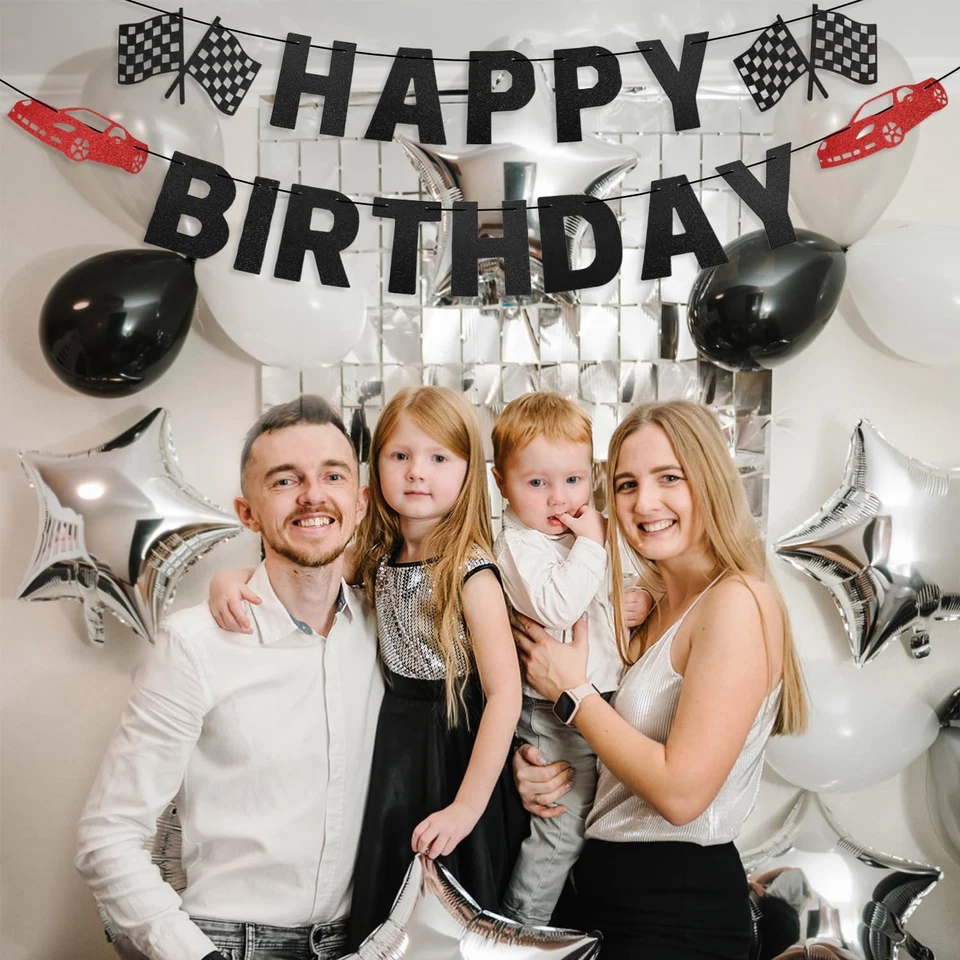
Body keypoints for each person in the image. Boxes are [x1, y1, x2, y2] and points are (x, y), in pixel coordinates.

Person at [209, 387, 524, 950]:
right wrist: (228, 579)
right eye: (399, 456)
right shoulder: (373, 553)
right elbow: (297, 569)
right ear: (373, 468)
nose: (416, 473)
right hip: (393, 746)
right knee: (388, 898)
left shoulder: (471, 572)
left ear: (468, 470)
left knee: (449, 906)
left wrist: (466, 807)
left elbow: (504, 694)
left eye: (438, 458)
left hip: (454, 749)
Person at [75, 397, 383, 960]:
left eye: (332, 475)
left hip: (355, 940)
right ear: (248, 514)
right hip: (226, 943)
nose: (313, 495)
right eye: (285, 480)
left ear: (360, 502)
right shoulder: (194, 644)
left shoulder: (386, 629)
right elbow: (107, 836)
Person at [512, 400, 808, 960]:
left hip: (677, 915)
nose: (644, 503)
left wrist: (571, 696)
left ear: (709, 481)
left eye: (668, 478)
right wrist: (539, 771)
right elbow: (618, 760)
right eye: (626, 485)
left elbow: (682, 793)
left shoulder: (739, 601)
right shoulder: (649, 612)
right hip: (602, 892)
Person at [489, 392, 652, 925]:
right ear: (502, 485)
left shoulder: (588, 534)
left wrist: (637, 599)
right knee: (562, 827)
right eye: (537, 484)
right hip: (551, 714)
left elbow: (614, 590)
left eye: (573, 481)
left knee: (597, 821)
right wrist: (594, 546)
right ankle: (519, 931)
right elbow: (557, 602)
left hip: (598, 701)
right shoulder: (520, 543)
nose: (558, 499)